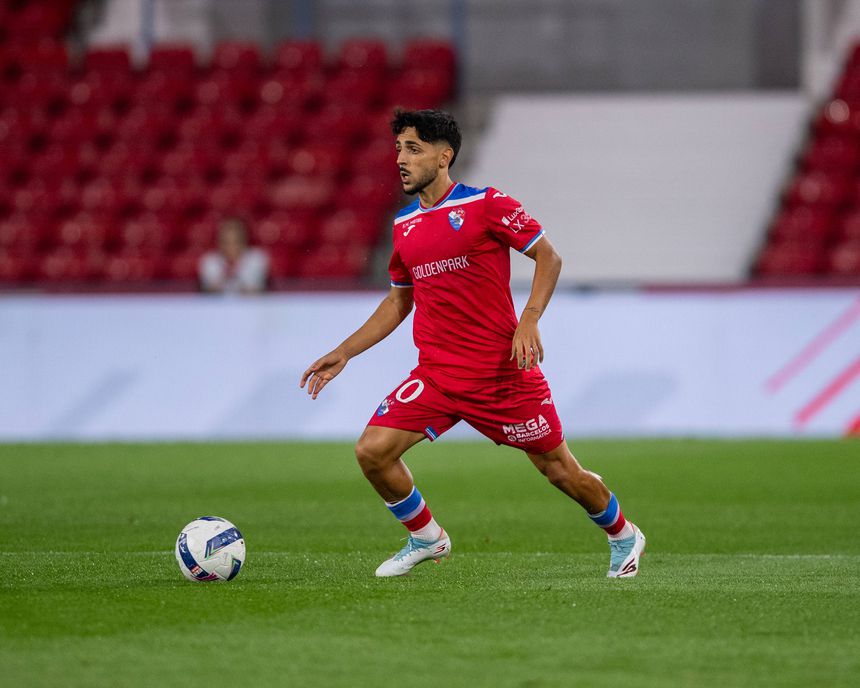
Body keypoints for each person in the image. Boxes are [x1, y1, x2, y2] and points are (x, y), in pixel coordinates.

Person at [300, 109, 645, 578]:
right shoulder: (404, 226)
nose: (401, 159)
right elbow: (400, 302)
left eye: (414, 149)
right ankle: (427, 538)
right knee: (372, 452)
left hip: (500, 372)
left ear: (445, 157)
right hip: (437, 376)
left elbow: (549, 256)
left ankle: (624, 534)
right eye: (399, 148)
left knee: (561, 472)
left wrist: (529, 319)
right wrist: (345, 350)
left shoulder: (487, 205)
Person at [198, 217, 269, 294]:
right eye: (226, 242)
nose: (231, 246)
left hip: (250, 305)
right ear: (219, 242)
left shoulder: (256, 257)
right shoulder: (209, 260)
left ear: (244, 240)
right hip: (217, 305)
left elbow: (255, 289)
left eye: (236, 241)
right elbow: (210, 289)